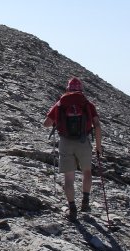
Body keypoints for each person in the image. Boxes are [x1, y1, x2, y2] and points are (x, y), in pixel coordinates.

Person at [43, 77, 102, 221]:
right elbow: (97, 125)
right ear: (81, 89)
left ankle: (72, 208)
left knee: (69, 178)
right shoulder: (87, 104)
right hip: (83, 141)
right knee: (87, 171)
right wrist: (98, 146)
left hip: (65, 142)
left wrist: (58, 120)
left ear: (68, 89)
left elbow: (46, 124)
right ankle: (85, 202)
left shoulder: (60, 103)